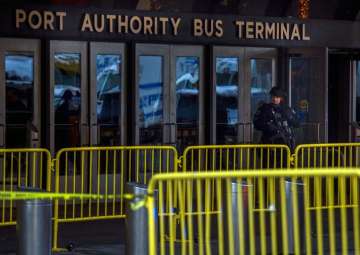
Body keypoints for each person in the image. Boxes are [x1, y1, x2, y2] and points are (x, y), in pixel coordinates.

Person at [253, 86, 300, 168]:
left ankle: (284, 181)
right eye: (273, 97)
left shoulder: (286, 109)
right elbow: (257, 124)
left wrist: (289, 118)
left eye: (277, 97)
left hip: (285, 145)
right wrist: (268, 126)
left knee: (286, 167)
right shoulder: (265, 109)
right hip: (269, 145)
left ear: (281, 98)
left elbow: (297, 123)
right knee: (268, 168)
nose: (275, 99)